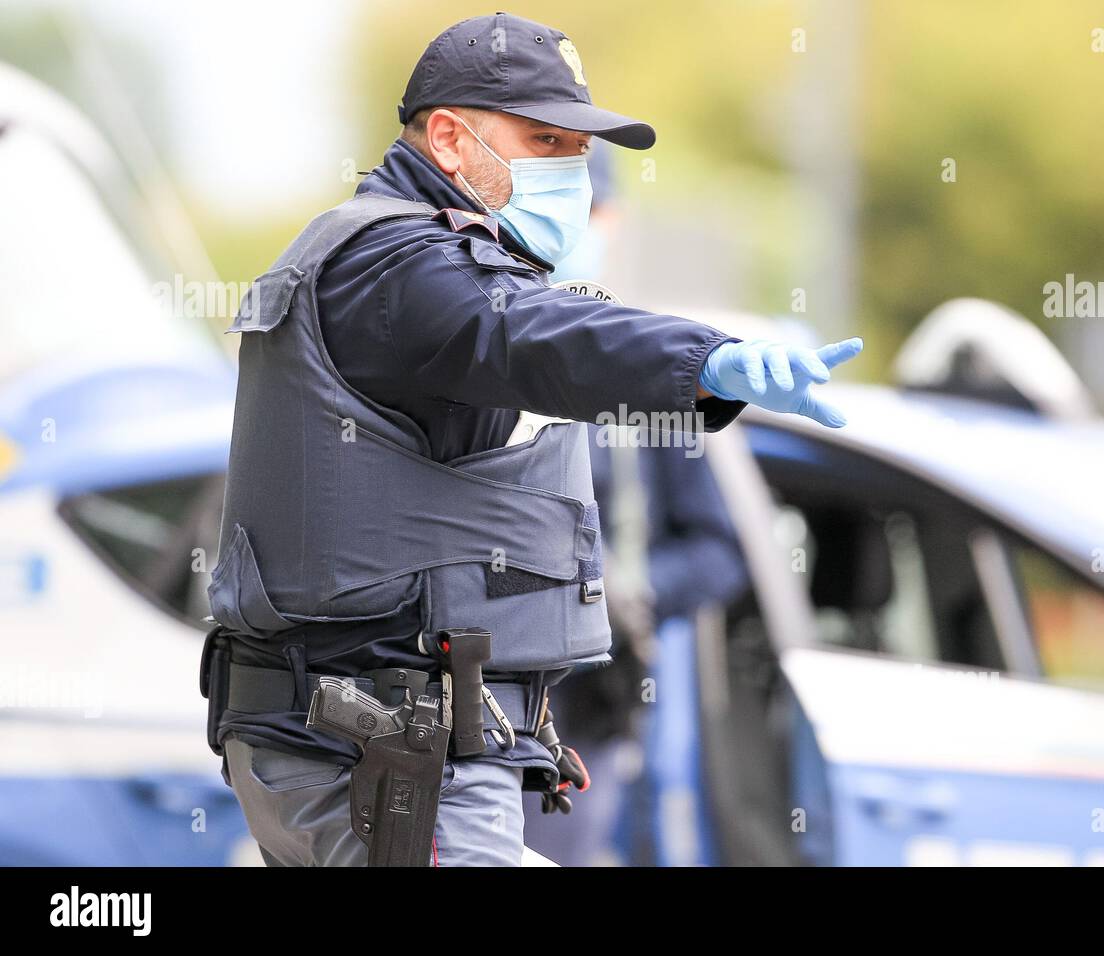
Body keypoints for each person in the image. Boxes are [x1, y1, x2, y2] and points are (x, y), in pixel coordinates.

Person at [200, 11, 861, 867]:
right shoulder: (402, 265)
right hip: (387, 754)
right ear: (447, 137)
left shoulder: (385, 252)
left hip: (354, 741)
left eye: (580, 150)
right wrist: (709, 360)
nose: (572, 171)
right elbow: (532, 332)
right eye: (545, 141)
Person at [523, 144, 750, 865]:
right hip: (481, 703)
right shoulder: (482, 351)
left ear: (612, 221)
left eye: (585, 211)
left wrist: (632, 589)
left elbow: (720, 555)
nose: (569, 233)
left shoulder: (645, 372)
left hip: (599, 709)